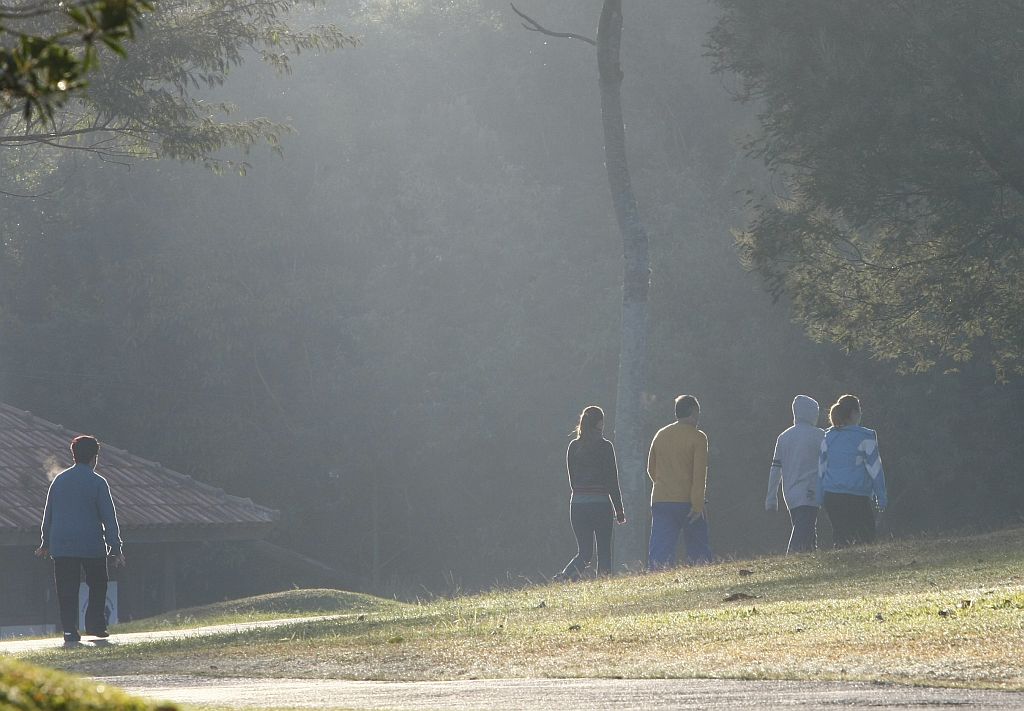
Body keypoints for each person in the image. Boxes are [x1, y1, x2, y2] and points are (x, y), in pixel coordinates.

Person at [35, 435, 125, 643]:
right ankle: (95, 624)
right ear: (95, 457)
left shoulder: (59, 481)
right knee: (98, 583)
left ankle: (69, 630)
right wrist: (115, 548)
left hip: (62, 544)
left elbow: (48, 514)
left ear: (73, 455)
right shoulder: (98, 482)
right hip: (91, 544)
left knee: (66, 588)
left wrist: (45, 542)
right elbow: (109, 518)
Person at [555, 406, 626, 581]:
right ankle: (603, 583)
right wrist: (619, 509)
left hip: (578, 505)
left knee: (585, 552)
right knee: (604, 550)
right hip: (600, 505)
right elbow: (612, 480)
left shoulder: (573, 446)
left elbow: (572, 480)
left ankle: (565, 576)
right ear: (600, 423)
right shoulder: (605, 447)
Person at [647, 395, 712, 569]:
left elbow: (651, 468)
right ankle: (701, 573)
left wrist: (663, 484)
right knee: (698, 548)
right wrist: (698, 505)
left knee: (660, 550)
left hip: (661, 499)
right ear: (693, 412)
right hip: (687, 501)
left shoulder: (661, 434)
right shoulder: (698, 437)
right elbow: (699, 475)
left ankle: (656, 576)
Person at [816, 394, 888, 548]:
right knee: (867, 539)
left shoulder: (827, 436)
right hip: (857, 496)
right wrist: (881, 495)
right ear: (854, 413)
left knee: (841, 538)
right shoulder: (866, 436)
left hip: (832, 496)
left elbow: (821, 469)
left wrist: (819, 495)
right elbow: (875, 469)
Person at [765, 395, 825, 553]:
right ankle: (792, 557)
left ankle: (810, 558)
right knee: (804, 529)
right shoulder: (819, 435)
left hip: (790, 494)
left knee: (806, 528)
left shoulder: (783, 437)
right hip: (811, 490)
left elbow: (775, 469)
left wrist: (771, 498)